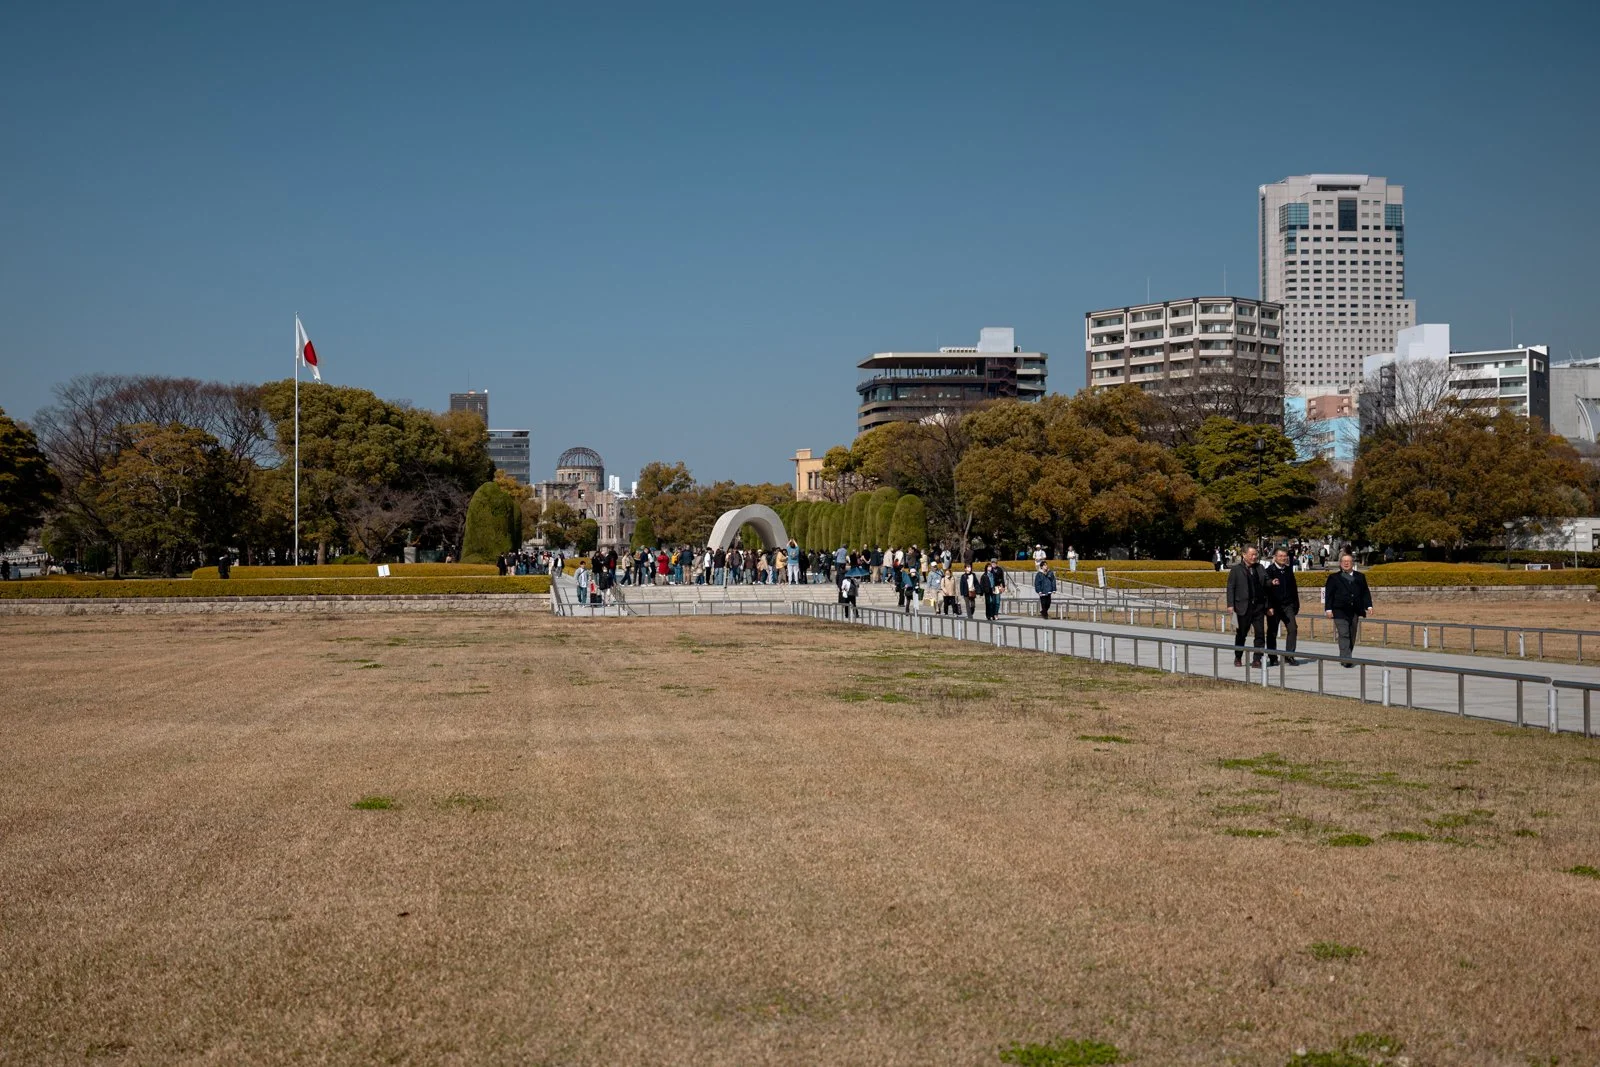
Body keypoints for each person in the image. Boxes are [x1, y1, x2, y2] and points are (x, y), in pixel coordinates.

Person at [1323, 551, 1374, 667]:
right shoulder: (1334, 577)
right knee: (1344, 633)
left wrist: (1369, 605)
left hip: (1355, 610)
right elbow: (1329, 595)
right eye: (1344, 561)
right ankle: (1346, 660)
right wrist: (1328, 609)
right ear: (1340, 563)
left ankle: (1346, 654)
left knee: (1352, 634)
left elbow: (1365, 592)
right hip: (1339, 610)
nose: (1346, 563)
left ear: (1352, 563)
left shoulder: (1360, 577)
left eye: (1348, 561)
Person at [1225, 545, 1267, 668]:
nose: (1254, 557)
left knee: (1260, 634)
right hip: (1242, 606)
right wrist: (1230, 605)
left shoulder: (1260, 568)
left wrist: (1272, 582)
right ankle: (1238, 656)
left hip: (1258, 606)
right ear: (1244, 555)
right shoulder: (1236, 569)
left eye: (1256, 554)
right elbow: (1230, 587)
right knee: (1241, 634)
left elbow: (1266, 581)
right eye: (1252, 554)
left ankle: (1257, 659)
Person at [1264, 546, 1301, 666]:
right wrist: (1268, 607)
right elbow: (1265, 590)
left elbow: (1294, 588)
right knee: (1272, 632)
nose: (1283, 558)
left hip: (1287, 605)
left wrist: (1296, 604)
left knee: (1293, 629)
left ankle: (1289, 655)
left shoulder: (1289, 570)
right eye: (1280, 556)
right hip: (1274, 606)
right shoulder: (1269, 571)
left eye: (1284, 556)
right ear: (1275, 557)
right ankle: (1272, 656)